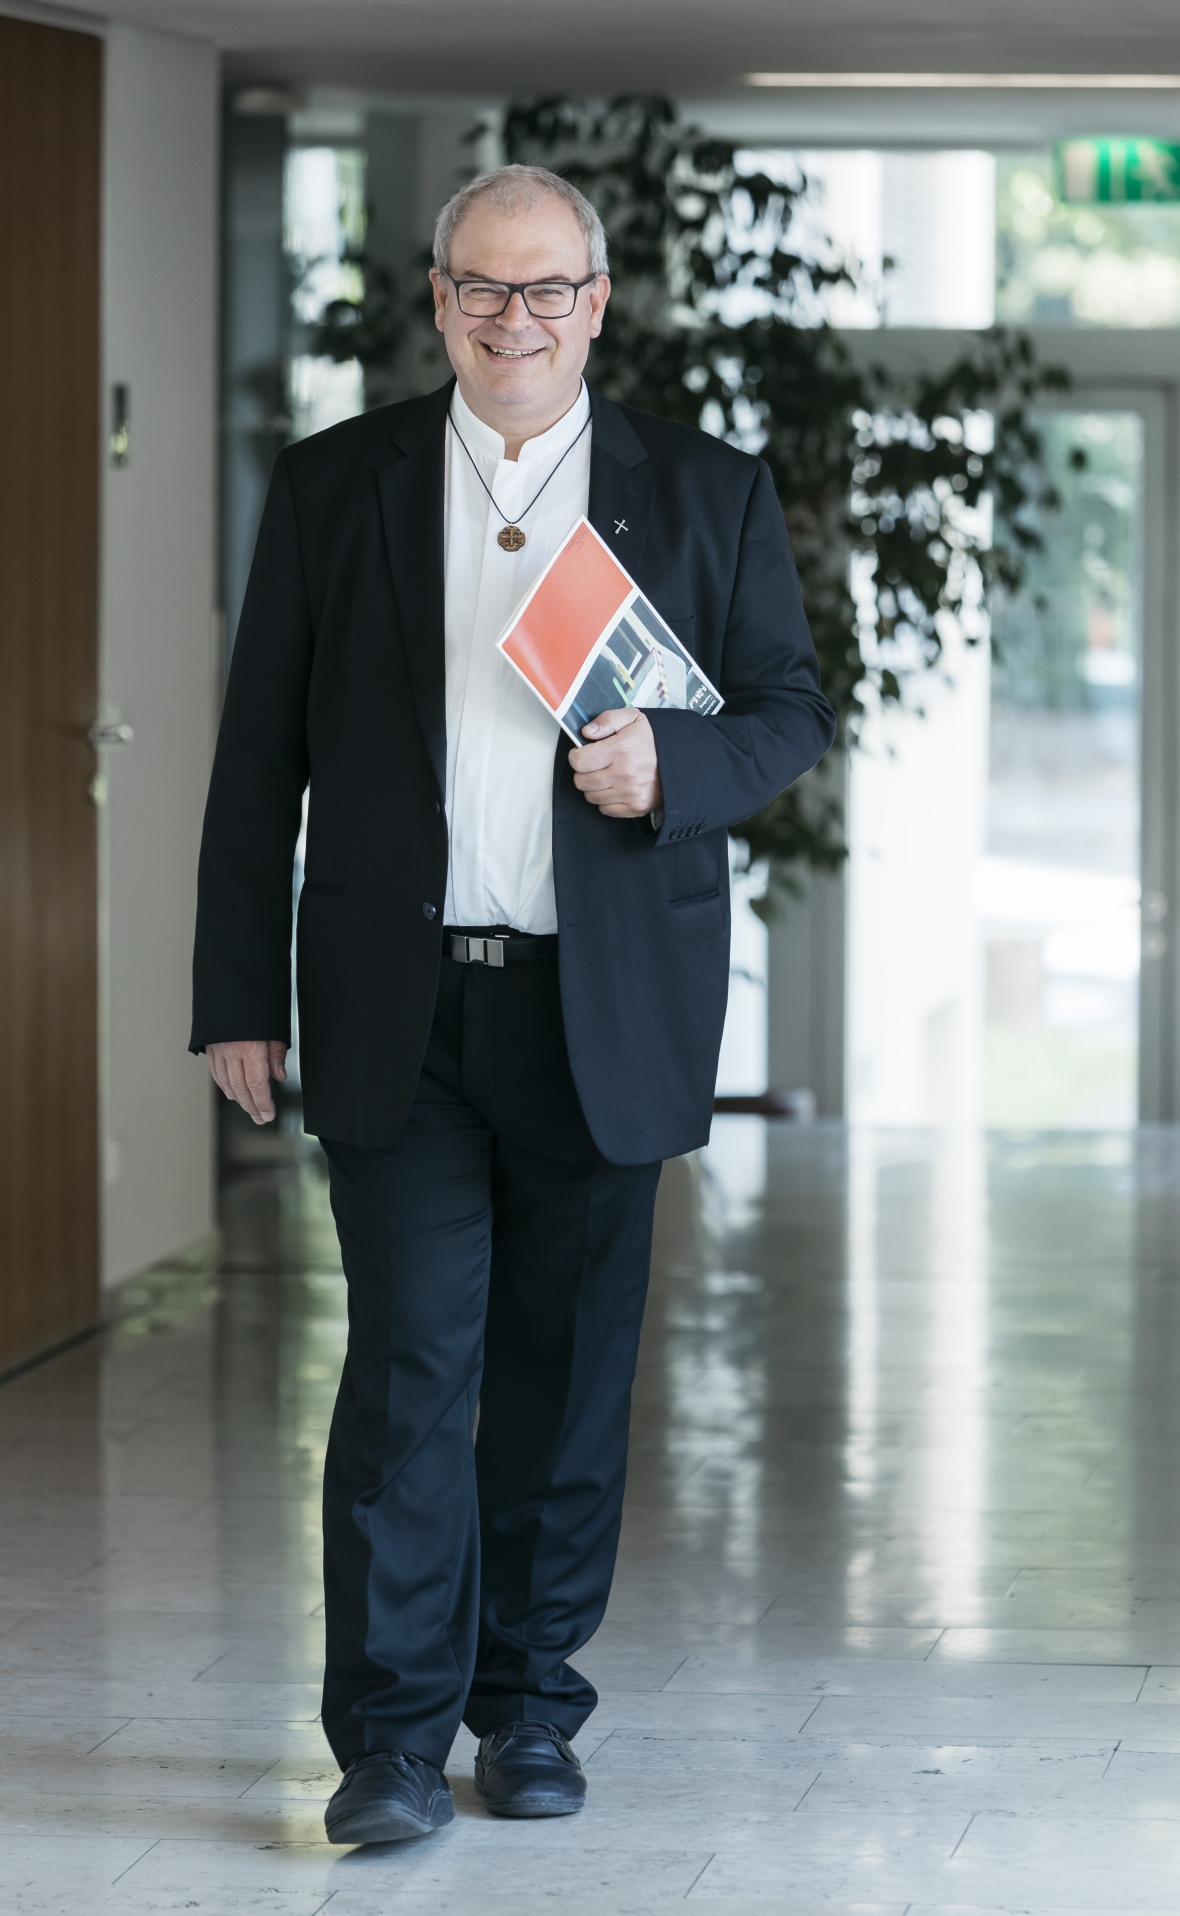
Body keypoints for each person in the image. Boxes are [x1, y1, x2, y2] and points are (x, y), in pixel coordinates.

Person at [191, 163, 835, 1845]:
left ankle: (531, 1704)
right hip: (397, 1007)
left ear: (595, 305)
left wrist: (667, 767)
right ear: (438, 302)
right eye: (482, 288)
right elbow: (258, 759)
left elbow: (785, 710)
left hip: (596, 1013)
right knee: (408, 1372)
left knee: (560, 1381)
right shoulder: (337, 486)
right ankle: (390, 1744)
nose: (514, 320)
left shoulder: (701, 489)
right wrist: (237, 992)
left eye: (547, 289)